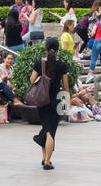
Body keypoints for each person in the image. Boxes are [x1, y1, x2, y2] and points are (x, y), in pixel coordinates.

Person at [29, 36, 70, 170]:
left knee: (46, 128)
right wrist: (67, 102)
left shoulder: (39, 63)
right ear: (58, 49)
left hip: (41, 101)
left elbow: (32, 80)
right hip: (55, 102)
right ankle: (47, 162)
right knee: (50, 131)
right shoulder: (62, 66)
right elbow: (65, 87)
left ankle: (44, 158)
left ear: (45, 48)